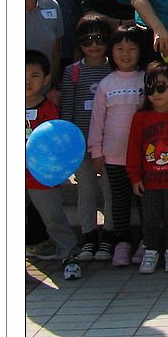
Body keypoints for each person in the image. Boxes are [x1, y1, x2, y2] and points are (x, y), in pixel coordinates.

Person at [88, 24, 152, 267]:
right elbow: (97, 120)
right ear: (111, 51)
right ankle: (122, 242)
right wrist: (96, 151)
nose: (126, 54)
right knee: (119, 201)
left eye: (132, 48)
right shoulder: (106, 84)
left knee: (145, 201)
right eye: (120, 48)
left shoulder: (147, 79)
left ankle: (147, 242)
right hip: (114, 155)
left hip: (145, 156)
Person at [57, 17, 112, 262]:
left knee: (110, 189)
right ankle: (89, 235)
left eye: (100, 38)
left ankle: (110, 235)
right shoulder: (73, 71)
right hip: (80, 143)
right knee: (86, 190)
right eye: (87, 40)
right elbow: (67, 109)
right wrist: (69, 143)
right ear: (79, 44)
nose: (94, 45)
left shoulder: (114, 68)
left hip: (109, 143)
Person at [126, 61, 168, 274]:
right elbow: (133, 148)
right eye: (150, 89)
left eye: (161, 88)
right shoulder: (140, 118)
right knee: (150, 218)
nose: (156, 94)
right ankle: (150, 251)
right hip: (149, 181)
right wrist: (135, 177)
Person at [25, 51, 79, 269]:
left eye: (34, 76)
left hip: (42, 176)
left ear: (46, 79)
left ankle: (69, 254)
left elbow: (56, 142)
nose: (27, 82)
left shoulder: (49, 109)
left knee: (53, 216)